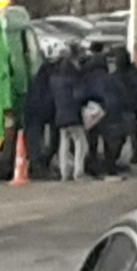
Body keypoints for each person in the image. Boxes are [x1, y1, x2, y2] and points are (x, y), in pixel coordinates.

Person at [52, 53, 88, 181]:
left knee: (63, 144)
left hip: (60, 116)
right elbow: (80, 96)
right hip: (73, 116)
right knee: (80, 143)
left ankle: (64, 172)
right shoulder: (73, 80)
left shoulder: (54, 81)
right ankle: (78, 171)